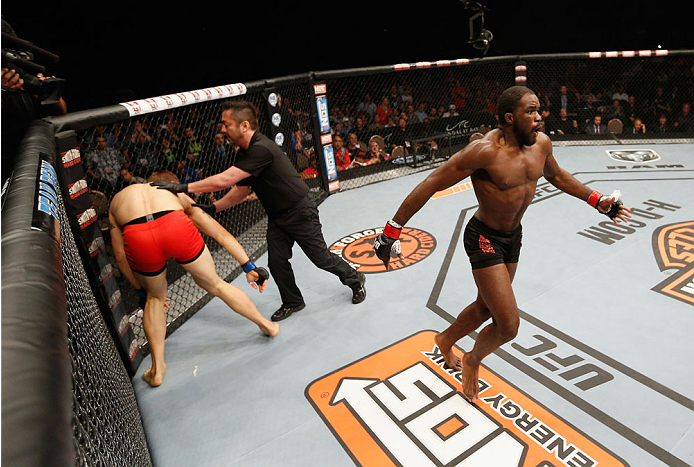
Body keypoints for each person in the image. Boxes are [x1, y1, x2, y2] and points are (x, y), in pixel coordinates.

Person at [372, 86, 631, 403]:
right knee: (508, 325)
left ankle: (445, 339)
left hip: (513, 236)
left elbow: (558, 176)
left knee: (485, 308)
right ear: (510, 117)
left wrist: (596, 200)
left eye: (539, 110)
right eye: (531, 112)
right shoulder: (484, 152)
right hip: (484, 237)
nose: (539, 117)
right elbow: (431, 183)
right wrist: (392, 230)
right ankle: (472, 359)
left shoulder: (541, 145)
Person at [152, 100, 366, 322]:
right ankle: (293, 300)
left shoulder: (260, 148)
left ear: (244, 125)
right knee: (276, 262)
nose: (223, 129)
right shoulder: (244, 154)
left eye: (227, 124)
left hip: (300, 211)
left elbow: (226, 179)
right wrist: (215, 207)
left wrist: (183, 187)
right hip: (278, 216)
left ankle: (355, 278)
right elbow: (241, 190)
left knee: (321, 258)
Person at [108, 172, 278, 387]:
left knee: (155, 299)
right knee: (215, 284)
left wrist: (141, 290)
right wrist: (248, 265)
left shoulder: (119, 199)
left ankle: (158, 368)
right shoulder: (173, 193)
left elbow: (120, 257)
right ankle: (266, 325)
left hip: (137, 233)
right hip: (174, 224)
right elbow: (219, 232)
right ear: (171, 182)